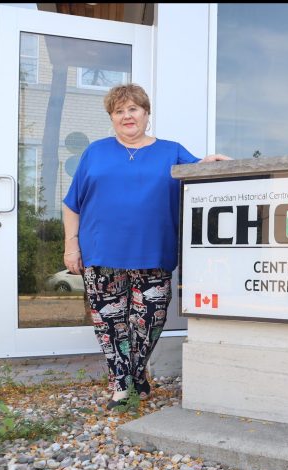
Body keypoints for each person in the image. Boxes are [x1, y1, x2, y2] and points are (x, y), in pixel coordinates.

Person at [62, 83, 230, 410]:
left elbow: (198, 175)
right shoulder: (95, 152)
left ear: (146, 113)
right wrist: (71, 245)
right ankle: (122, 385)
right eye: (119, 111)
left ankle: (136, 373)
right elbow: (72, 204)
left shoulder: (170, 150)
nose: (127, 116)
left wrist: (211, 162)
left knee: (149, 320)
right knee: (110, 323)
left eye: (133, 109)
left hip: (153, 252)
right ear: (111, 118)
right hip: (101, 252)